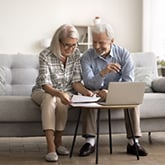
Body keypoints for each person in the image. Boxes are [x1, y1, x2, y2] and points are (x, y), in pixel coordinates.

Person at [79, 23, 148, 157]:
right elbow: (88, 83)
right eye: (94, 42)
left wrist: (111, 93)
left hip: (116, 94)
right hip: (96, 93)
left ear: (112, 41)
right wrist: (103, 73)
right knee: (89, 97)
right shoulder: (87, 56)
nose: (97, 46)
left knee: (133, 99)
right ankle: (90, 142)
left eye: (101, 42)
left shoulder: (123, 54)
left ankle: (133, 142)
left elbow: (128, 82)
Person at [31, 24, 93, 162]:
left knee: (61, 101)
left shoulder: (76, 54)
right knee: (50, 98)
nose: (70, 49)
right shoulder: (45, 55)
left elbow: (76, 82)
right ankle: (51, 146)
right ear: (57, 41)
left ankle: (59, 141)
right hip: (43, 91)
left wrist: (87, 92)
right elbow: (45, 84)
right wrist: (59, 93)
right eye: (67, 45)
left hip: (65, 93)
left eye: (74, 45)